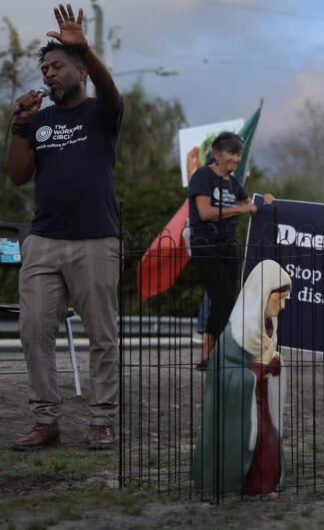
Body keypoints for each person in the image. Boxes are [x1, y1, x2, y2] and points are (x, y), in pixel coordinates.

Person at [9, 4, 124, 450]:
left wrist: (85, 48)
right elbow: (18, 176)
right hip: (44, 240)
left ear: (80, 71)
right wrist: (20, 126)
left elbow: (112, 92)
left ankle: (101, 420)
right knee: (33, 331)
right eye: (45, 70)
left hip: (95, 238)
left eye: (57, 66)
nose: (49, 74)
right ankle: (46, 421)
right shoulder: (39, 121)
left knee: (101, 335)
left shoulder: (100, 113)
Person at [193, 260, 292, 496]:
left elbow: (268, 359)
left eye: (286, 299)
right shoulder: (237, 332)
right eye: (279, 298)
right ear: (264, 295)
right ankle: (231, 480)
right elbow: (224, 375)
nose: (283, 306)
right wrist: (255, 373)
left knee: (267, 451)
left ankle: (261, 482)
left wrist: (273, 366)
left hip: (261, 406)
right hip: (239, 411)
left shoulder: (268, 324)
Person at [187, 131, 273, 370]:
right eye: (232, 154)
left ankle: (212, 355)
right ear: (217, 154)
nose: (236, 160)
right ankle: (210, 354)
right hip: (206, 245)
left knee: (226, 300)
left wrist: (266, 201)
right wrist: (239, 209)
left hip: (229, 245)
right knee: (222, 297)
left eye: (239, 155)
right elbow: (205, 213)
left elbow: (250, 206)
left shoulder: (234, 183)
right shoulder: (203, 176)